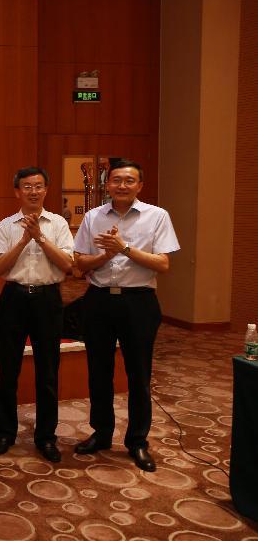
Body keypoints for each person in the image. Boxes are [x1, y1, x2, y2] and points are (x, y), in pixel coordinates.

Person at [73, 158, 179, 472]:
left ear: (140, 186)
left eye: (129, 180)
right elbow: (80, 263)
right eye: (116, 180)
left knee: (139, 374)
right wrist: (106, 254)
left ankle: (137, 441)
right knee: (99, 372)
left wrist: (124, 248)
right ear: (107, 184)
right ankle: (102, 433)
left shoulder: (157, 217)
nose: (122, 185)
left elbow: (163, 264)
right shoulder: (93, 217)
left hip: (139, 303)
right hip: (99, 301)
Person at [0, 167, 74, 462]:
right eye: (27, 186)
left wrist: (40, 237)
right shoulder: (6, 226)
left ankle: (46, 437)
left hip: (48, 300)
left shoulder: (59, 224)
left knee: (48, 372)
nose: (33, 191)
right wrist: (24, 239)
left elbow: (67, 265)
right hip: (14, 298)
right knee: (8, 369)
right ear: (17, 192)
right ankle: (5, 432)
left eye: (39, 186)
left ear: (46, 190)